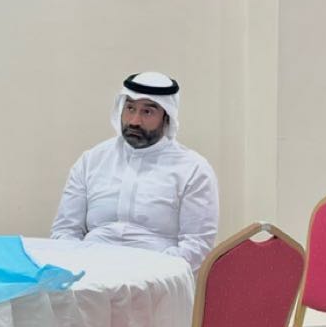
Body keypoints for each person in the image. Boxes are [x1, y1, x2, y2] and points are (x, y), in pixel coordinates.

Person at [50, 71, 219, 270]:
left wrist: (147, 272)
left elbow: (197, 247)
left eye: (147, 112)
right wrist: (80, 267)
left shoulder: (193, 169)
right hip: (90, 273)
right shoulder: (92, 160)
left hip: (157, 276)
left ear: (167, 117)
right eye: (130, 108)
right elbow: (65, 231)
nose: (134, 121)